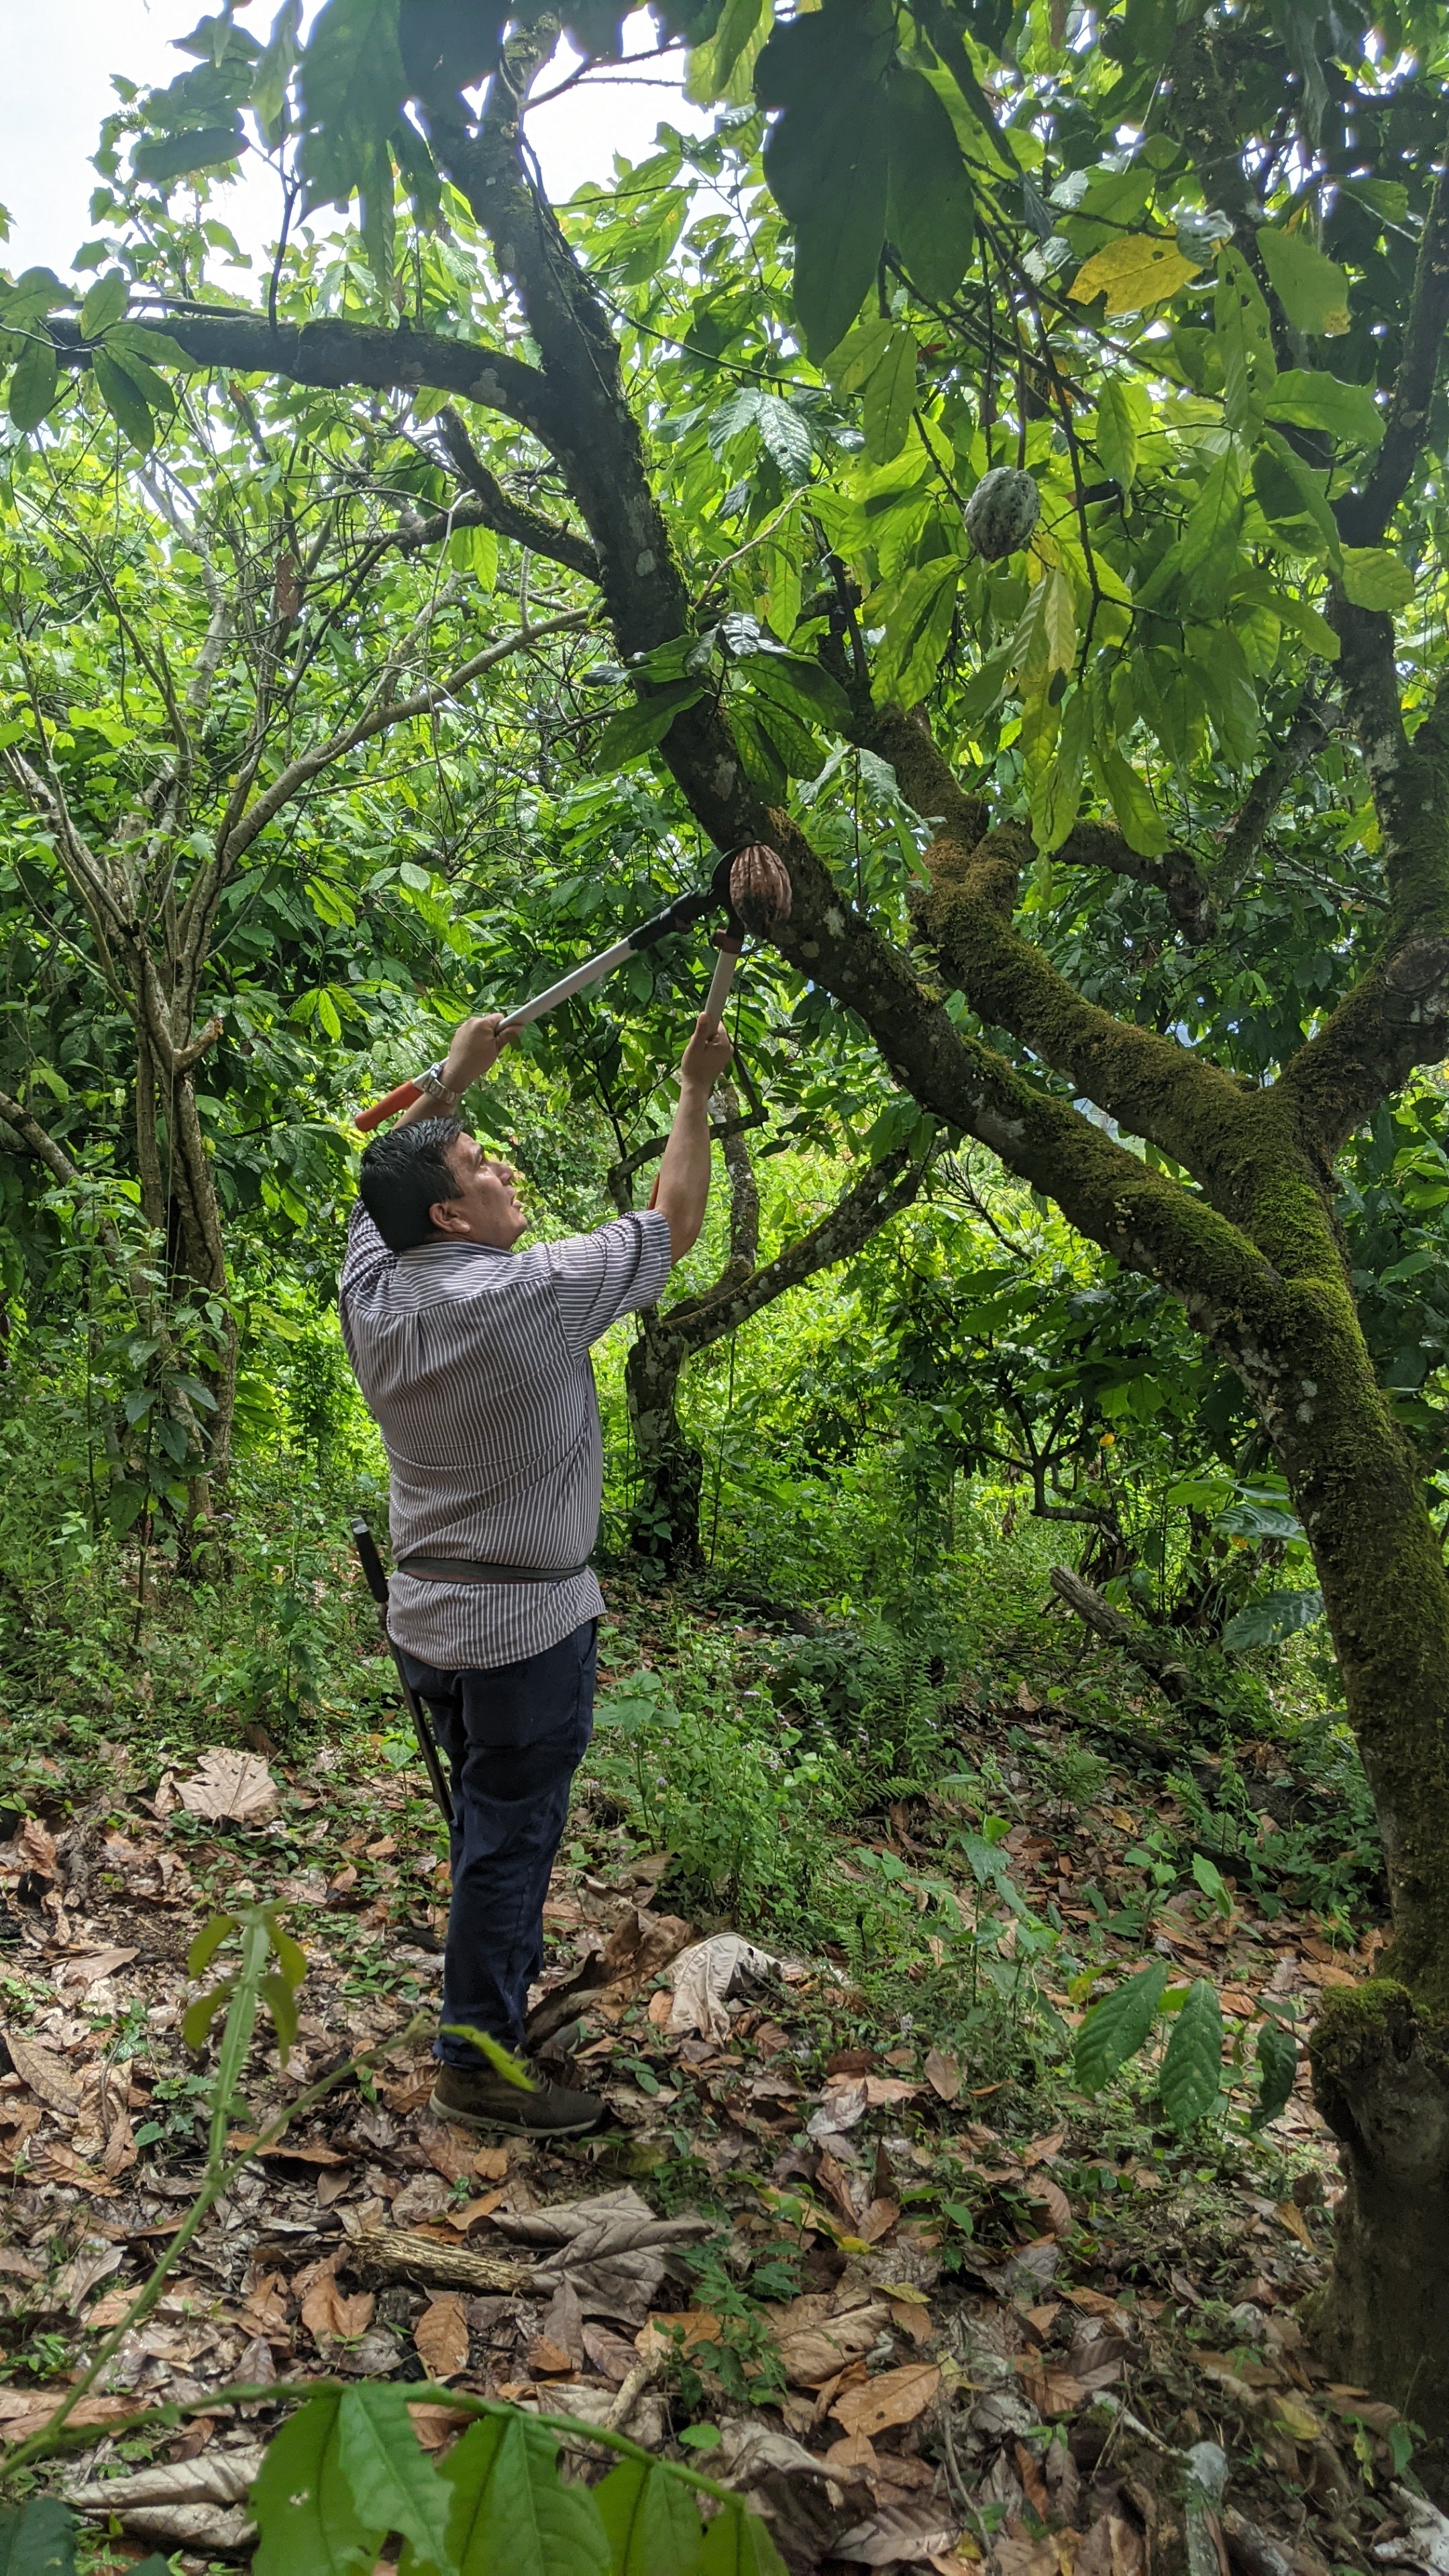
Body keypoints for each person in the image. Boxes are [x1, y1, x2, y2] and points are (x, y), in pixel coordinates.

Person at [339, 1007, 731, 2135]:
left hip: (428, 1620)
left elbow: (382, 1192)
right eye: (478, 1162)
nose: (498, 1165)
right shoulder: (531, 1293)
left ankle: (487, 1989)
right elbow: (674, 1220)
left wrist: (446, 1086)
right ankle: (477, 2064)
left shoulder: (375, 1284)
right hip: (523, 1631)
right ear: (453, 1215)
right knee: (510, 1841)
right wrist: (695, 1089)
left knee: (486, 1826)